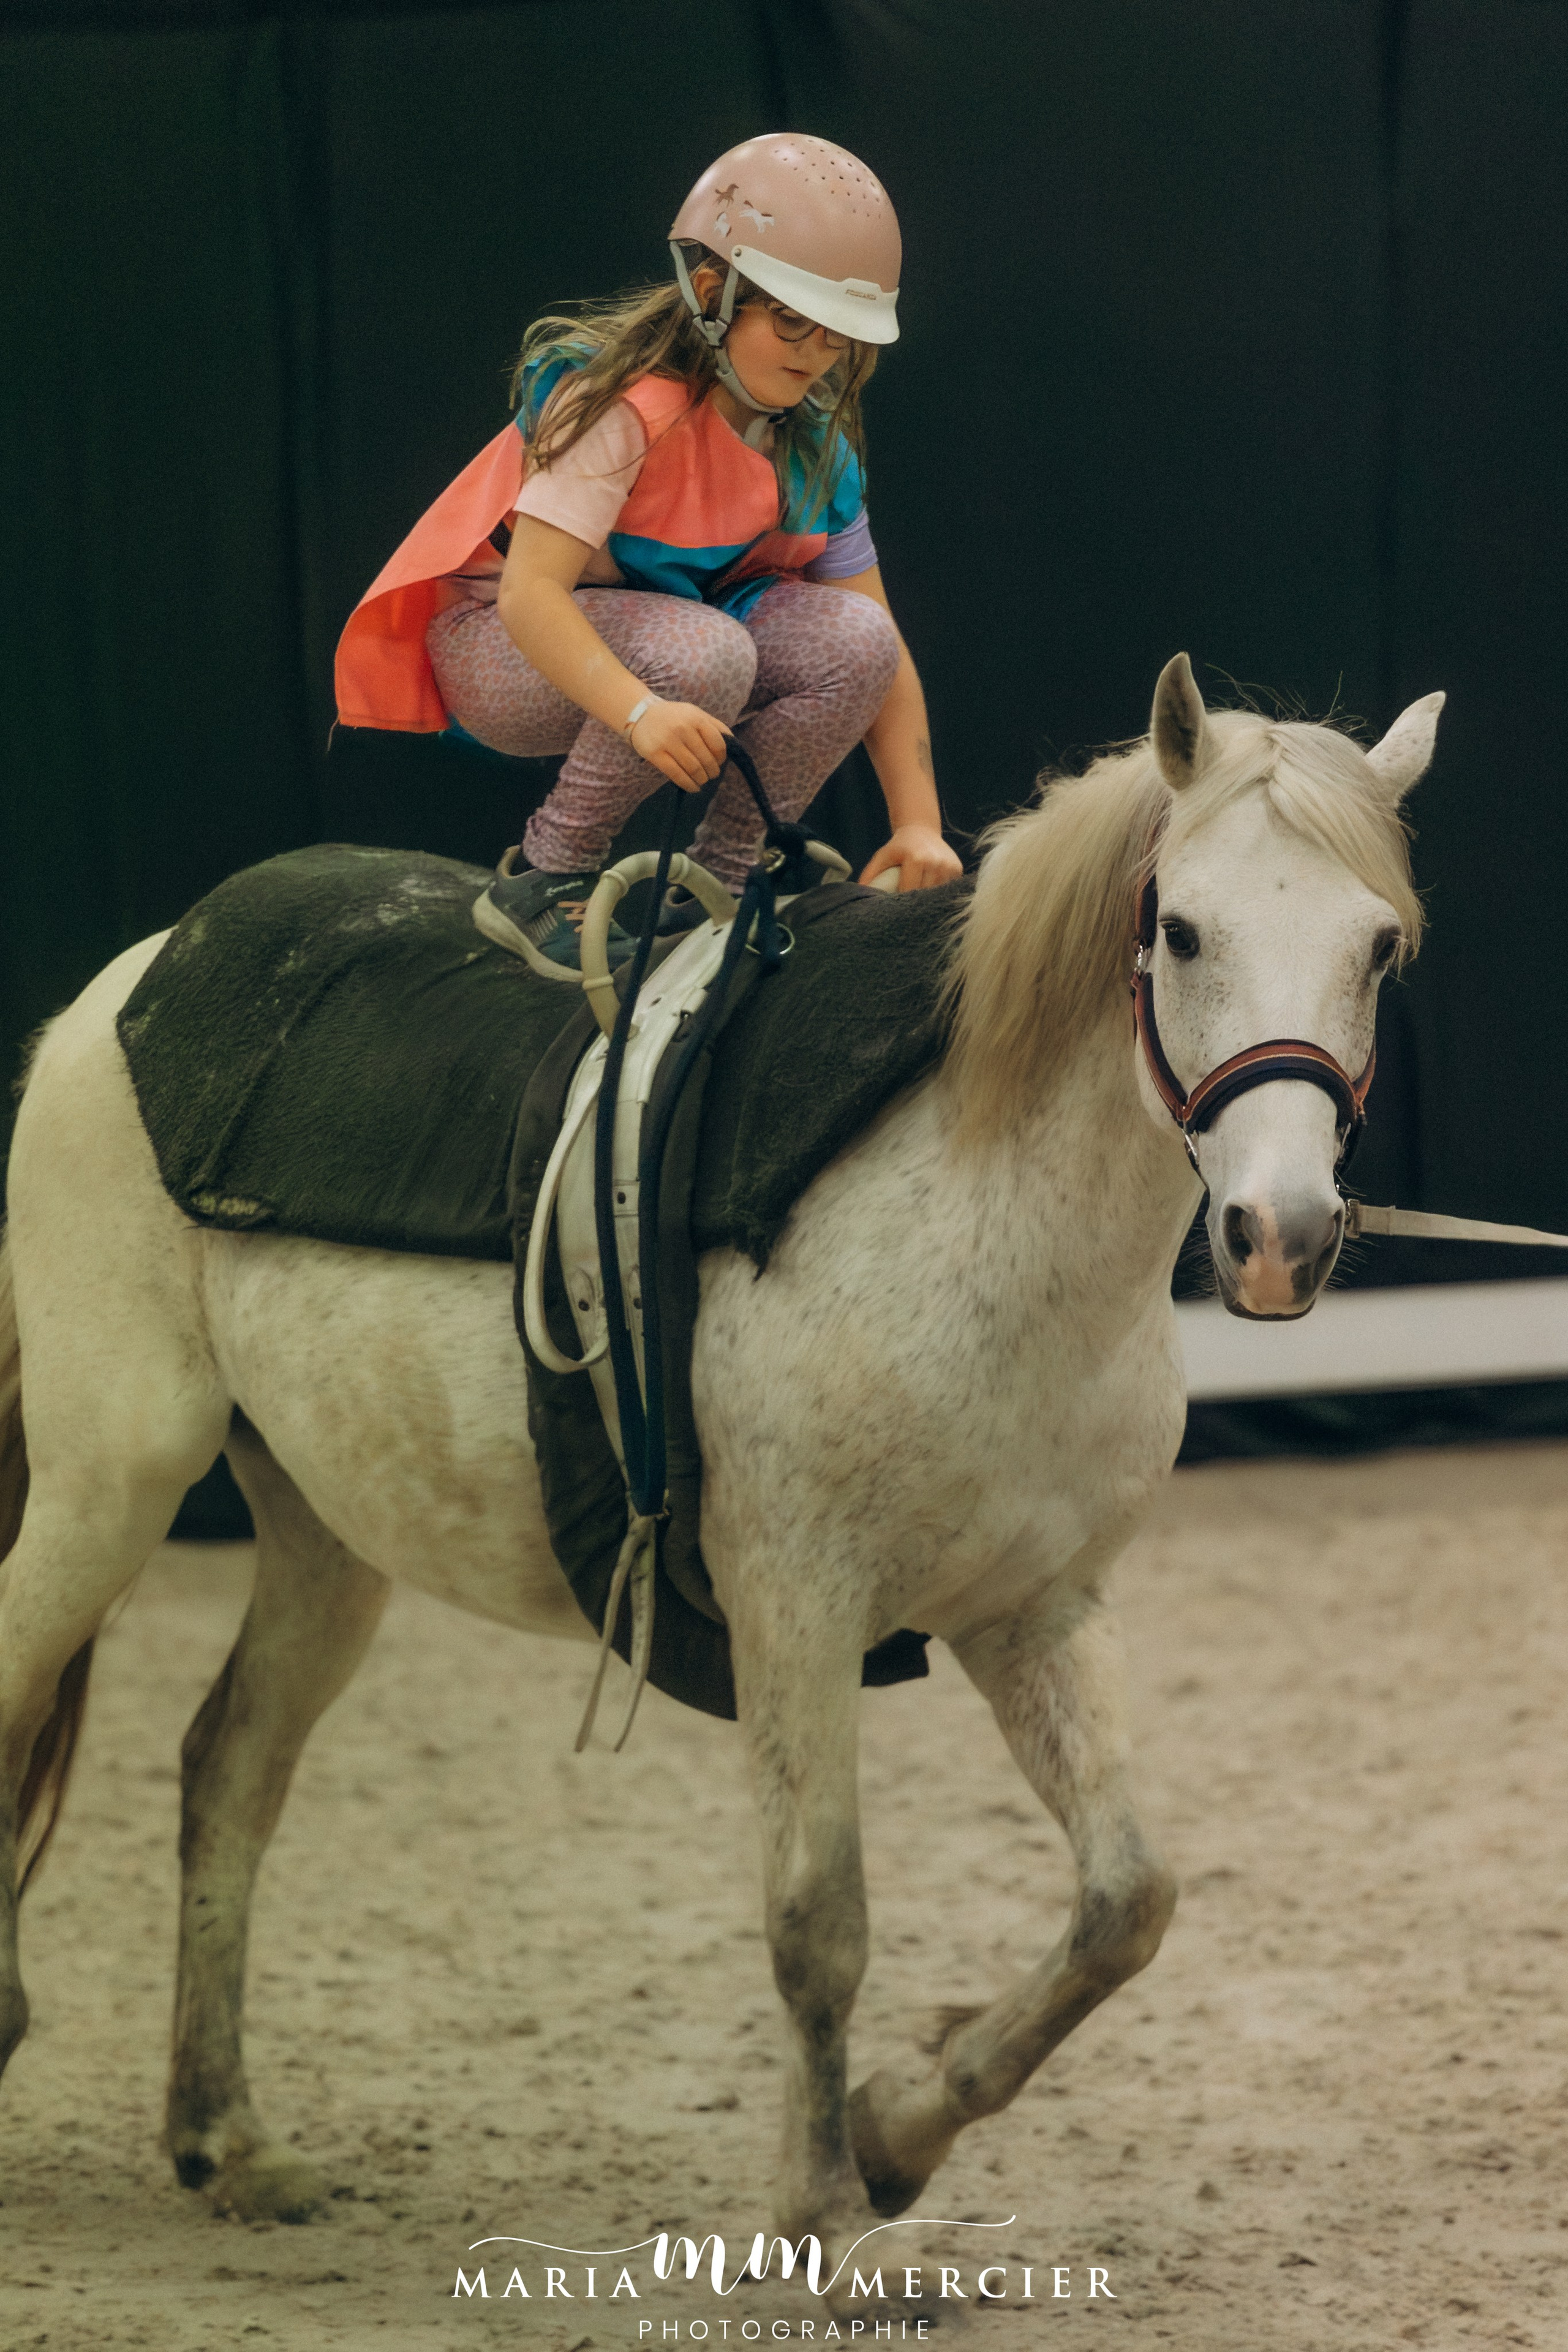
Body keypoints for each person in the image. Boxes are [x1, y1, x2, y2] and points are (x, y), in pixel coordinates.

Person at [334, 133, 962, 976]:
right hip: (500, 645)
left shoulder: (816, 447)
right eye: (791, 321)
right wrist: (638, 711)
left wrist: (918, 822)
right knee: (706, 655)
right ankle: (545, 875)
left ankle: (716, 888)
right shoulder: (623, 411)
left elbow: (881, 648)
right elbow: (529, 596)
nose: (816, 354)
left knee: (857, 643)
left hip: (677, 644)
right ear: (712, 293)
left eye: (838, 335)